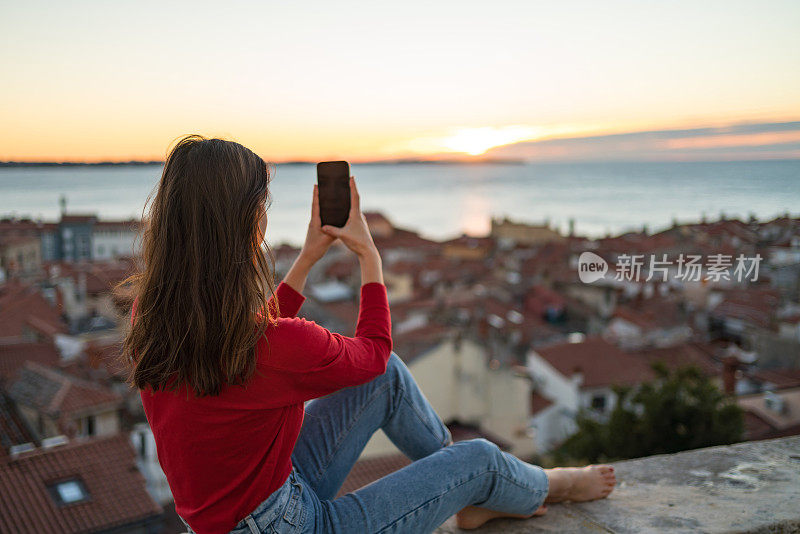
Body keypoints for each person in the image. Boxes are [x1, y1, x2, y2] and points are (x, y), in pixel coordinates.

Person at [123, 135, 616, 534]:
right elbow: (375, 353)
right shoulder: (281, 346)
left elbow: (239, 343)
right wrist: (369, 258)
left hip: (240, 512)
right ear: (247, 222)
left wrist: (311, 255)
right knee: (481, 457)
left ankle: (466, 491)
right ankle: (545, 485)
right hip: (292, 526)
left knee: (388, 383)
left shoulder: (154, 318)